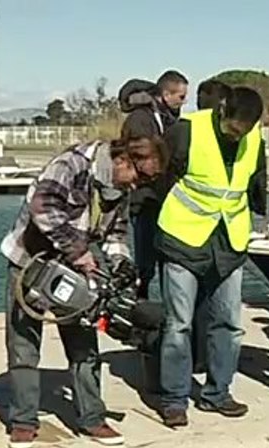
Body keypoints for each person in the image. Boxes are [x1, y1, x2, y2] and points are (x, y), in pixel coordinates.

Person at [0, 137, 167, 448]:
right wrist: (78, 250)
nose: (137, 186)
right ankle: (23, 421)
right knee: (24, 345)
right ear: (123, 160)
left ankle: (92, 418)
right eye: (139, 177)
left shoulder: (119, 188)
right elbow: (42, 206)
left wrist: (121, 262)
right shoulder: (71, 164)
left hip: (72, 270)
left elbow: (115, 233)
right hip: (30, 261)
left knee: (84, 345)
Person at [154, 87, 267, 428]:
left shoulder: (254, 138)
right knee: (179, 324)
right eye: (232, 129)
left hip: (229, 241)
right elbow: (159, 178)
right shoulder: (186, 131)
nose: (237, 136)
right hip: (183, 238)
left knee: (229, 323)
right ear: (222, 110)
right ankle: (174, 400)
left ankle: (218, 393)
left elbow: (255, 184)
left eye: (243, 131)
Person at [121, 70, 189, 299]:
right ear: (166, 94)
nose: (184, 102)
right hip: (146, 200)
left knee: (168, 261)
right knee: (145, 263)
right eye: (181, 96)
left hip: (166, 199)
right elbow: (144, 159)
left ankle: (166, 310)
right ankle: (139, 307)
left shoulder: (169, 118)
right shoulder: (141, 119)